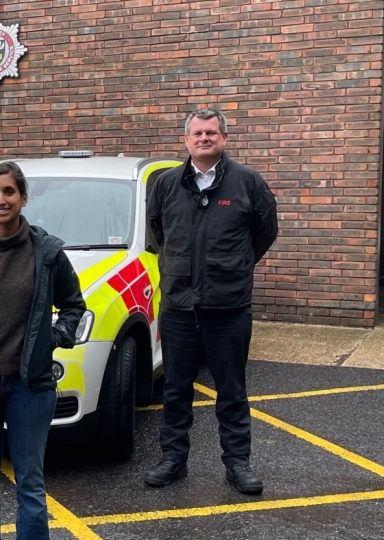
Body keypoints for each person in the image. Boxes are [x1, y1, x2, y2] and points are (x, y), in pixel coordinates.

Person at [0, 161, 86, 539]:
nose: (1, 199)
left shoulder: (48, 253)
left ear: (23, 198)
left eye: (9, 192)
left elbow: (74, 306)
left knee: (31, 485)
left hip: (30, 386)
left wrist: (52, 340)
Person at [145, 108, 278, 495]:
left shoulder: (248, 182)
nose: (204, 138)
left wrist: (233, 268)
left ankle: (238, 464)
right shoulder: (167, 184)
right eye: (197, 133)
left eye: (212, 133)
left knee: (232, 390)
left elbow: (265, 232)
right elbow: (157, 232)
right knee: (175, 389)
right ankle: (173, 460)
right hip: (179, 306)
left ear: (224, 138)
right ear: (185, 140)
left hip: (229, 306)